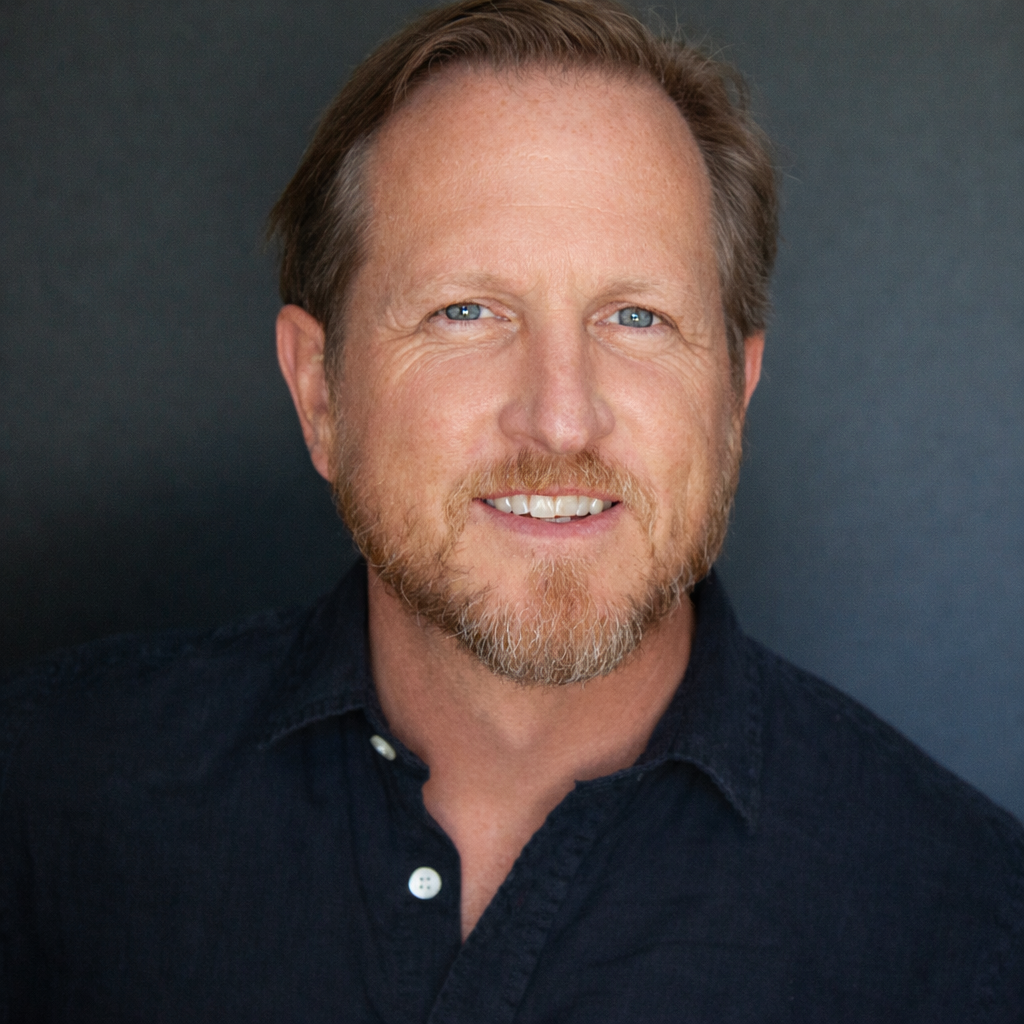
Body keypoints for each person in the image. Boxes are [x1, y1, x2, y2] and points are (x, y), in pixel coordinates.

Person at [2, 0, 1021, 1019]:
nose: (561, 418)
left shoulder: (973, 926)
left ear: (734, 399)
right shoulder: (46, 802)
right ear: (320, 393)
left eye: (637, 316)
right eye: (466, 311)